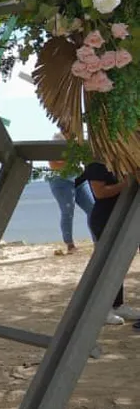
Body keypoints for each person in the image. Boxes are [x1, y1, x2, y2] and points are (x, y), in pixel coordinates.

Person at [82, 160, 140, 327]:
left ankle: (117, 305)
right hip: (106, 218)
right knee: (107, 264)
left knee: (120, 264)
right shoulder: (97, 163)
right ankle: (103, 308)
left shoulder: (127, 157)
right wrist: (127, 183)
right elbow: (100, 193)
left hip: (128, 216)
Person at [48, 132, 94, 255]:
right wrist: (72, 162)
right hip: (61, 181)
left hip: (78, 178)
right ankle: (70, 244)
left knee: (92, 208)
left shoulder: (78, 139)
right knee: (68, 211)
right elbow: (53, 164)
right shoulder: (57, 140)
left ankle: (97, 240)